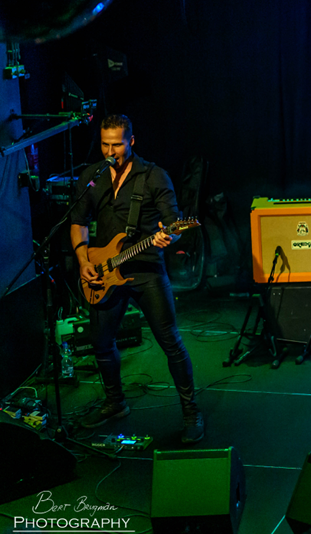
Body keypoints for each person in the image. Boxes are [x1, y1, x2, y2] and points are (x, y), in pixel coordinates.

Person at [70, 115, 203, 443]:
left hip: (146, 270)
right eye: (105, 144)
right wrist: (84, 260)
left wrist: (169, 236)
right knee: (101, 343)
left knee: (170, 342)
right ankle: (115, 402)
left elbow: (174, 225)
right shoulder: (92, 176)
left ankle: (191, 412)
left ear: (131, 141)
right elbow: (78, 221)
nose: (110, 151)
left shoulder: (154, 176)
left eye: (116, 144)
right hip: (105, 270)